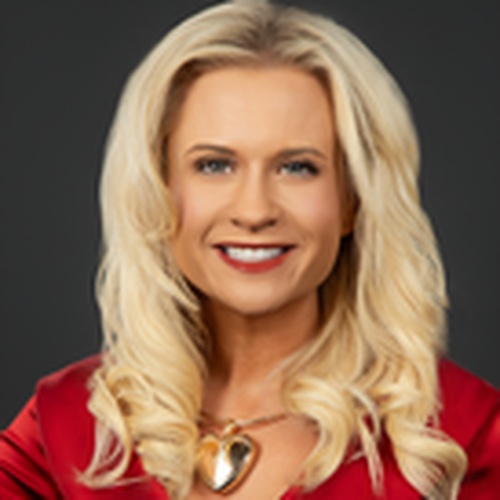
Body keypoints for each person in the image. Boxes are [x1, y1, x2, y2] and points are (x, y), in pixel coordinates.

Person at [1, 0, 498, 498]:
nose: (255, 210)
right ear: (157, 190)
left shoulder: (465, 435)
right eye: (214, 165)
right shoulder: (65, 427)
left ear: (352, 200)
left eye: (297, 167)